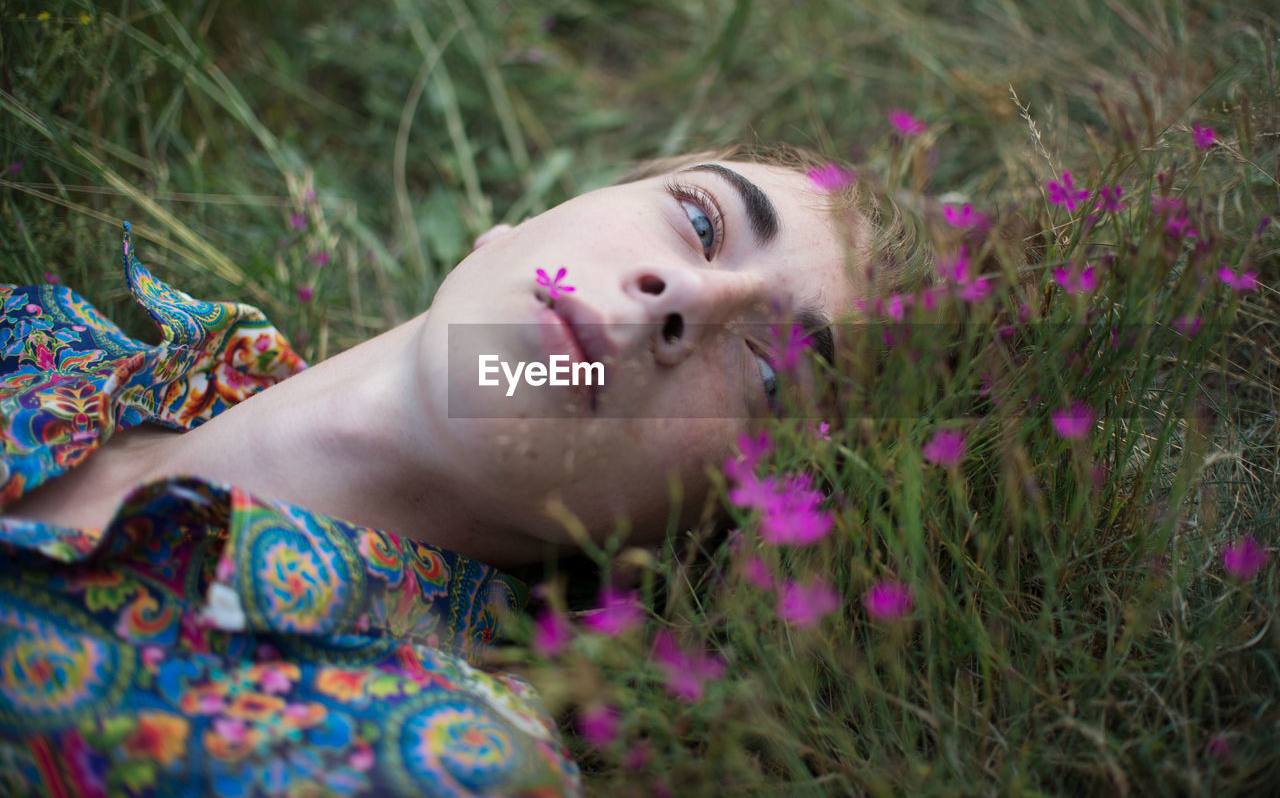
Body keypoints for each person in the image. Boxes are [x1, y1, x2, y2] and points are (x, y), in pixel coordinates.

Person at [0, 149, 880, 796]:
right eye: (700, 222)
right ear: (520, 225)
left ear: (707, 521)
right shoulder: (42, 334)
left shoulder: (435, 760)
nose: (688, 297)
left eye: (772, 376)